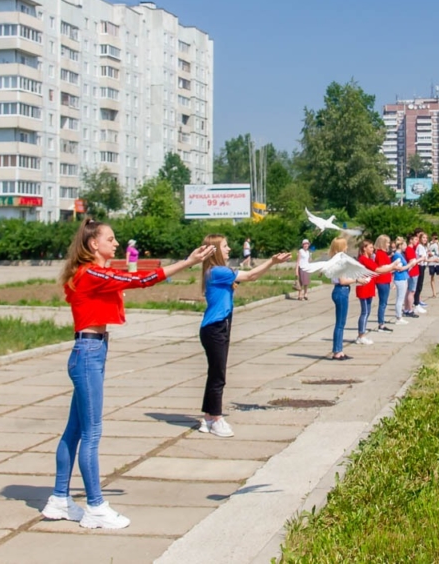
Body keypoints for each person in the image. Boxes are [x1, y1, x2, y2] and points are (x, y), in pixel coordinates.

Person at [42, 219, 214, 529]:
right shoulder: (90, 272)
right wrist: (188, 262)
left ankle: (59, 499)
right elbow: (142, 279)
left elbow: (132, 280)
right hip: (88, 355)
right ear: (94, 244)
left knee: (75, 431)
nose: (116, 242)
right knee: (91, 434)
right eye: (110, 238)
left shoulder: (91, 272)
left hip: (90, 352)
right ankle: (95, 507)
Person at [199, 236, 290, 437]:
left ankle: (207, 417)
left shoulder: (214, 271)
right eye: (224, 246)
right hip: (215, 328)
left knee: (215, 373)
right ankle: (216, 418)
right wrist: (272, 262)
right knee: (218, 376)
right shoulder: (218, 271)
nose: (229, 249)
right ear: (214, 250)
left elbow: (248, 278)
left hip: (217, 327)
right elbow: (250, 276)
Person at [327, 238, 370, 361]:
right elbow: (342, 280)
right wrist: (357, 280)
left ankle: (339, 350)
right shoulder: (339, 262)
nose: (347, 248)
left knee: (341, 323)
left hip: (341, 290)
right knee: (340, 324)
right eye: (345, 246)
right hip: (341, 290)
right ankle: (337, 351)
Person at [355, 239, 400, 344]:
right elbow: (378, 270)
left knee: (367, 312)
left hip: (369, 287)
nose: (372, 249)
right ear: (364, 248)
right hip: (364, 288)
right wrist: (392, 267)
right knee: (365, 312)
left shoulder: (369, 258)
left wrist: (391, 267)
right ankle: (361, 335)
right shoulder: (363, 259)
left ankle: (362, 334)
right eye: (370, 247)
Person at [373, 235, 398, 330]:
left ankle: (381, 322)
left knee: (384, 302)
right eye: (387, 242)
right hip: (382, 280)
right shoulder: (380, 253)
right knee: (383, 303)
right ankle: (381, 323)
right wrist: (393, 266)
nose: (389, 244)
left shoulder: (382, 253)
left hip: (385, 279)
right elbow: (382, 267)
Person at [391, 237, 415, 325]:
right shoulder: (397, 255)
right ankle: (398, 317)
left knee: (400, 298)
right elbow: (400, 268)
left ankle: (399, 316)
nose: (405, 246)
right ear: (400, 245)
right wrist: (410, 264)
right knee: (400, 298)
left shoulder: (400, 254)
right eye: (404, 244)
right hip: (400, 278)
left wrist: (409, 266)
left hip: (403, 277)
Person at [403, 233, 421, 317]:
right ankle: (410, 310)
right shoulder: (409, 249)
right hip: (413, 273)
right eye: (415, 239)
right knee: (411, 292)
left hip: (412, 273)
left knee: (408, 291)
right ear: (411, 240)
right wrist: (421, 259)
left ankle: (406, 309)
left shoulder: (410, 249)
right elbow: (412, 263)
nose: (417, 241)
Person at [413, 230, 429, 310]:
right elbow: (423, 259)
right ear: (420, 238)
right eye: (423, 237)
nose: (425, 239)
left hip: (422, 266)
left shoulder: (423, 247)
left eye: (426, 238)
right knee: (419, 285)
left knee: (420, 284)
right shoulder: (420, 246)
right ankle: (416, 302)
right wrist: (433, 260)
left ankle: (417, 302)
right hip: (420, 266)